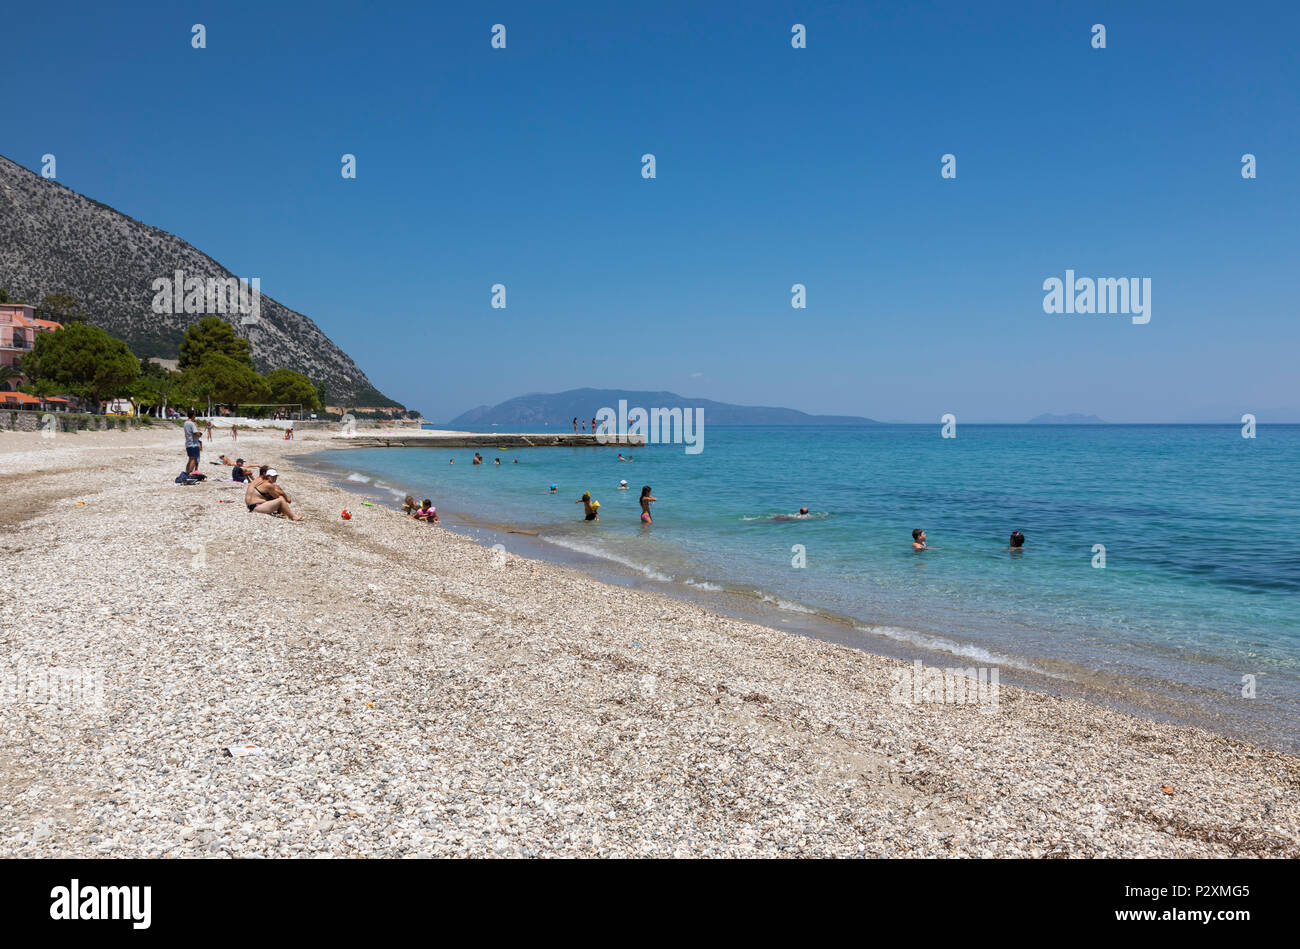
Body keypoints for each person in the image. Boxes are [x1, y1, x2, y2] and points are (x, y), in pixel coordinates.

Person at [183, 409, 202, 474]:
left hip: (188, 444)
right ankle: (189, 473)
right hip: (193, 444)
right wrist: (199, 434)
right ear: (193, 415)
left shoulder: (185, 423)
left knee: (190, 459)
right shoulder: (191, 423)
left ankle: (186, 473)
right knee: (193, 460)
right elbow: (195, 433)